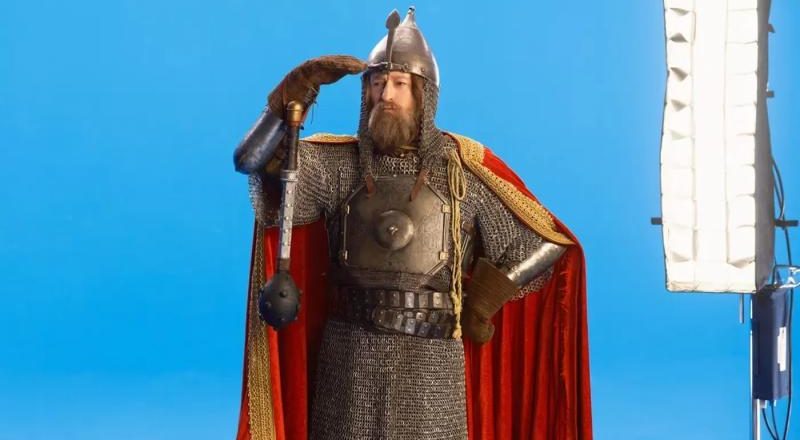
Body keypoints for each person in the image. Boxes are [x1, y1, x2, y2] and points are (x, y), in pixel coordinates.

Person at [233, 8, 591, 440]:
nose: (386, 94)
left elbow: (543, 241)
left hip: (430, 370)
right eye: (377, 83)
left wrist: (483, 300)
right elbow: (253, 161)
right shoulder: (336, 165)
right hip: (350, 361)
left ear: (424, 94)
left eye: (400, 83)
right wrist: (288, 99)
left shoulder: (460, 169)